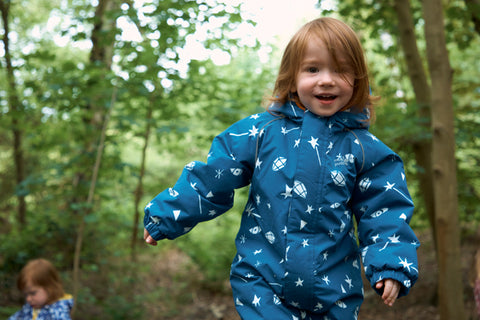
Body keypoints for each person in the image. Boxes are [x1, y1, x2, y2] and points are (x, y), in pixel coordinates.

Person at [144, 17, 419, 319]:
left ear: (357, 78)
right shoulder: (261, 132)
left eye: (340, 70)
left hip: (334, 289)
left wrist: (391, 263)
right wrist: (168, 213)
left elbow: (385, 211)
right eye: (313, 69)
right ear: (292, 76)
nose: (326, 80)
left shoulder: (365, 149)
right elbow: (215, 175)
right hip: (263, 281)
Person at [9, 258, 74, 320]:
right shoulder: (29, 307)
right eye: (25, 294)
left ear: (50, 288)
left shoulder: (58, 312)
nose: (28, 299)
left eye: (33, 293)